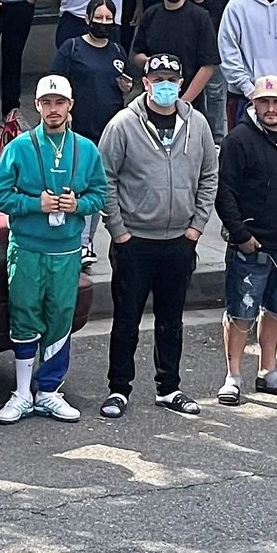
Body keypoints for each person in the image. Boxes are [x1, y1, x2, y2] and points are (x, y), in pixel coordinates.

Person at [96, 56, 218, 419]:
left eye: (171, 79)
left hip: (180, 240)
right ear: (146, 82)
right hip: (134, 241)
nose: (164, 84)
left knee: (171, 319)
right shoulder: (122, 124)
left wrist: (196, 227)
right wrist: (118, 231)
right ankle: (118, 389)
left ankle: (169, 387)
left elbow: (209, 175)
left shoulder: (196, 124)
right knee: (126, 320)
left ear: (181, 83)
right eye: (157, 78)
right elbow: (105, 178)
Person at [0, 74, 106, 423]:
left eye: (60, 102)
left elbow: (100, 193)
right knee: (24, 313)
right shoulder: (19, 147)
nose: (53, 109)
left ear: (70, 106)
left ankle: (49, 391)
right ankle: (22, 392)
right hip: (27, 247)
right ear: (37, 106)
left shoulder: (86, 149)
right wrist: (32, 204)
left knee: (60, 317)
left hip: (66, 250)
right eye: (47, 103)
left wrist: (78, 205)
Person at [214, 75, 277, 403]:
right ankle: (233, 377)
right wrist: (240, 234)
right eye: (264, 102)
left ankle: (268, 372)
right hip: (251, 245)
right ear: (253, 103)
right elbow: (224, 192)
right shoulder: (238, 140)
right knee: (240, 312)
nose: (270, 108)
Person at [133, 0, 222, 123]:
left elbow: (208, 66)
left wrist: (182, 103)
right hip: (153, 102)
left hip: (190, 106)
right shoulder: (150, 15)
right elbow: (137, 55)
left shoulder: (200, 17)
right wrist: (151, 63)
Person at [54, 0, 138, 145]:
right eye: (98, 18)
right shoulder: (71, 48)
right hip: (79, 128)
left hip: (112, 129)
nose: (103, 22)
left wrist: (127, 87)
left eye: (108, 18)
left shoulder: (117, 50)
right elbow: (56, 85)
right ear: (88, 19)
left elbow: (127, 79)